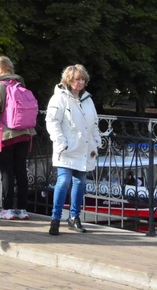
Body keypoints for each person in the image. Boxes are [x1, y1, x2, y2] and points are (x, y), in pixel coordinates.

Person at [46, 64, 100, 235]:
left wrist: (96, 139)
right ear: (69, 80)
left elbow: (94, 122)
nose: (81, 82)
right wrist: (60, 141)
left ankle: (74, 217)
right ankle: (55, 219)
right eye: (77, 79)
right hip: (67, 148)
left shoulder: (88, 99)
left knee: (80, 183)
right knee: (63, 182)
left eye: (83, 79)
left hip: (84, 148)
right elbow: (52, 121)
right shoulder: (60, 98)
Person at [0, 56, 37, 220]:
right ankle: (22, 209)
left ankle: (7, 209)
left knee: (7, 172)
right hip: (25, 133)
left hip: (5, 135)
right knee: (20, 171)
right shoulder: (20, 84)